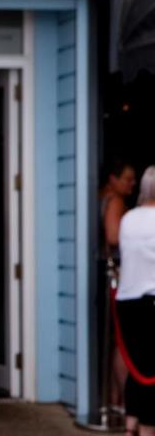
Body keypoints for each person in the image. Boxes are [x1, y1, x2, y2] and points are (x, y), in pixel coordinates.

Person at [115, 165, 155, 436]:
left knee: (135, 363)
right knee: (151, 365)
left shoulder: (128, 218)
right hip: (151, 297)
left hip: (126, 299)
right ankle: (148, 430)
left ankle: (130, 424)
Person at [99, 158, 136, 418]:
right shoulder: (115, 201)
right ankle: (120, 400)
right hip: (115, 272)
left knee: (114, 340)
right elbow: (113, 236)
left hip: (100, 271)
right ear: (113, 179)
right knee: (121, 342)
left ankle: (113, 398)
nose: (132, 185)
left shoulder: (99, 196)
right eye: (127, 179)